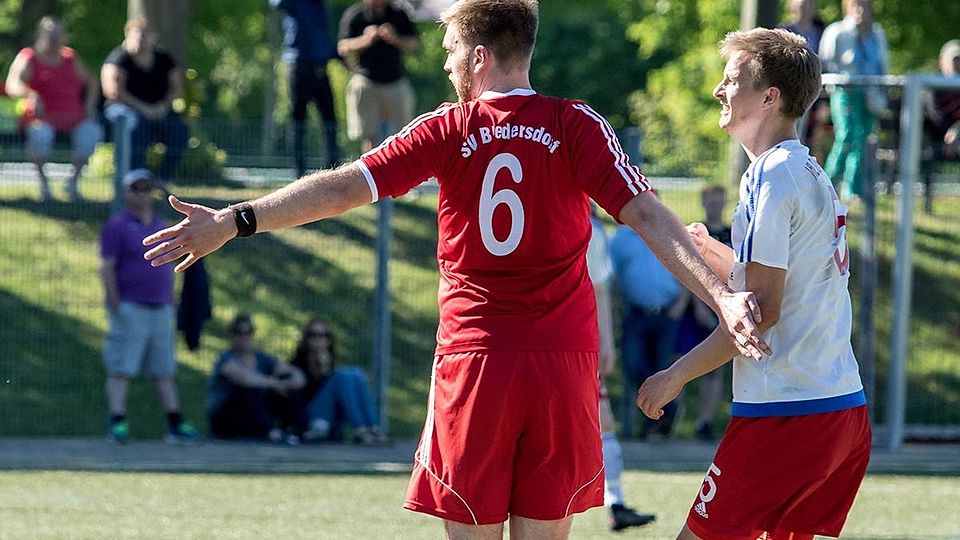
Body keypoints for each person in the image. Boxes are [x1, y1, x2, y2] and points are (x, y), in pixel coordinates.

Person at [142, 1, 769, 537]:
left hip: (476, 360)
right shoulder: (576, 124)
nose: (445, 65)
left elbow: (342, 187)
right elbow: (650, 216)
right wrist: (720, 295)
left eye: (450, 52)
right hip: (560, 363)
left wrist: (235, 220)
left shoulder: (448, 127)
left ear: (479, 57)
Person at [637, 28, 871, 540]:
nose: (718, 90)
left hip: (788, 413)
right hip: (838, 408)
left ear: (769, 97)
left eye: (731, 79)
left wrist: (675, 376)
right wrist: (704, 249)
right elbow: (776, 285)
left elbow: (759, 313)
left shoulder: (771, 174)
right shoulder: (804, 168)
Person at [99, 168, 198, 444]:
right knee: (121, 367)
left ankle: (175, 423)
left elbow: (169, 262)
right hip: (130, 306)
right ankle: (117, 422)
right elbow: (106, 266)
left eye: (146, 189)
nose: (142, 194)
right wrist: (115, 301)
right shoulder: (117, 226)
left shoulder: (160, 224)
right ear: (126, 193)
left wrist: (171, 296)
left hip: (161, 307)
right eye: (137, 188)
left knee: (164, 369)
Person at [585, 212, 656, 532]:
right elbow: (599, 289)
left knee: (602, 422)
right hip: (574, 343)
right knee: (603, 424)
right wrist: (605, 343)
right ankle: (615, 502)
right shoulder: (589, 228)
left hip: (548, 341)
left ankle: (615, 502)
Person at [4, 16, 102, 202]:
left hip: (74, 117)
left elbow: (92, 83)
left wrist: (89, 105)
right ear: (40, 34)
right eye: (49, 33)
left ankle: (72, 183)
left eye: (58, 34)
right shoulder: (29, 57)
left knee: (91, 133)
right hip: (41, 118)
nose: (54, 38)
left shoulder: (71, 58)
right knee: (41, 136)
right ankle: (44, 185)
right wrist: (31, 95)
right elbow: (12, 84)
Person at [609, 220, 684, 439]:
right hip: (635, 314)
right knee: (633, 365)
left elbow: (687, 268)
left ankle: (655, 422)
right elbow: (612, 278)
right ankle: (666, 411)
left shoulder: (669, 231)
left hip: (666, 314)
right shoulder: (621, 239)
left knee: (663, 367)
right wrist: (613, 312)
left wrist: (679, 306)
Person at [672, 185, 732, 442]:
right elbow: (689, 271)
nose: (715, 206)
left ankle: (704, 421)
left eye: (719, 201)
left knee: (714, 369)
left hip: (723, 311)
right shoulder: (697, 234)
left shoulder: (732, 234)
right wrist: (699, 305)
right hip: (695, 310)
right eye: (711, 202)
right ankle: (671, 417)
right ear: (704, 203)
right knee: (681, 362)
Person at [101, 18, 189, 184]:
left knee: (179, 130)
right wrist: (143, 108)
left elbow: (177, 89)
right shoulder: (119, 58)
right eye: (137, 35)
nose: (141, 39)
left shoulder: (164, 59)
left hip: (158, 109)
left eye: (145, 35)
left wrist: (162, 106)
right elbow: (113, 91)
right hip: (123, 109)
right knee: (136, 126)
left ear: (153, 38)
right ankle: (134, 182)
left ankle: (162, 180)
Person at [819, 0, 889, 200]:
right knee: (846, 135)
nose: (861, 10)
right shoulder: (837, 31)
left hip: (870, 93)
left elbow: (882, 63)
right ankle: (827, 186)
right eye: (857, 5)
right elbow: (826, 61)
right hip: (845, 92)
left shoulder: (877, 33)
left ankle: (853, 190)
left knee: (864, 139)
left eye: (865, 6)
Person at [269, 0, 341, 178]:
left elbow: (322, 32)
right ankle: (299, 174)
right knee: (298, 122)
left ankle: (332, 172)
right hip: (299, 67)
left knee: (330, 122)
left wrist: (336, 54)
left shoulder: (319, 5)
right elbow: (276, 3)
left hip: (321, 68)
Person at [207, 314, 306, 443]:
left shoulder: (261, 357)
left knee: (285, 389)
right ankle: (270, 432)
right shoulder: (226, 358)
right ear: (232, 335)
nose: (244, 337)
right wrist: (275, 384)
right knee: (248, 390)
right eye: (239, 333)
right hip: (225, 417)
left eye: (248, 333)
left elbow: (292, 372)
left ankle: (300, 430)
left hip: (253, 415)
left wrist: (292, 382)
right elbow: (243, 378)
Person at [337, 0, 419, 152]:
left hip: (395, 80)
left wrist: (395, 38)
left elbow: (414, 44)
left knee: (404, 135)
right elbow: (343, 47)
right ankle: (370, 164)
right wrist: (366, 39)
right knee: (370, 136)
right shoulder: (356, 15)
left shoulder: (399, 14)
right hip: (367, 81)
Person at [289, 318, 386, 444]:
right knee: (341, 375)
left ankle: (373, 427)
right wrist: (319, 370)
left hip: (331, 417)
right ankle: (360, 430)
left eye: (324, 335)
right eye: (314, 335)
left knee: (356, 373)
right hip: (311, 419)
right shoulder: (297, 365)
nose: (319, 340)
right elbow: (301, 396)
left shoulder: (329, 361)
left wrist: (326, 368)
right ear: (306, 339)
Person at [779, 0, 828, 151]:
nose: (805, 9)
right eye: (801, 5)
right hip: (791, 91)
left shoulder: (822, 31)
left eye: (808, 4)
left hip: (817, 93)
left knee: (812, 136)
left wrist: (825, 101)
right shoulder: (783, 31)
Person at [921, 39, 960, 214]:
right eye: (954, 60)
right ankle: (927, 207)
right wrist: (949, 137)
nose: (957, 64)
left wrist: (956, 132)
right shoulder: (933, 85)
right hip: (936, 140)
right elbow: (936, 117)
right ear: (942, 61)